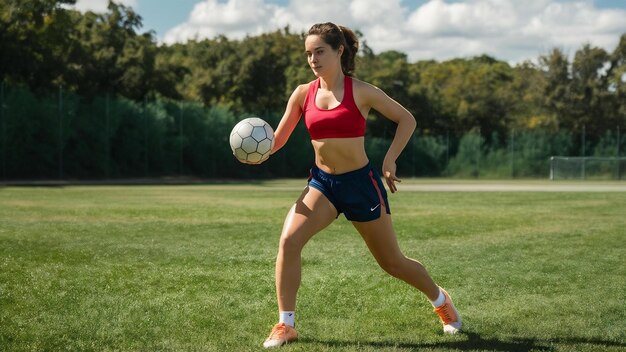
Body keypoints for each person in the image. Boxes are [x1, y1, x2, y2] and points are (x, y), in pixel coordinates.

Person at [262, 22, 461, 348]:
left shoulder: (361, 91)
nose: (313, 59)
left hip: (361, 185)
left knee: (392, 262)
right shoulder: (302, 93)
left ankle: (442, 302)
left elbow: (406, 119)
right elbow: (278, 138)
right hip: (323, 185)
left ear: (340, 50)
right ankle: (286, 324)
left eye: (320, 51)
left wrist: (389, 160)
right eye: (308, 54)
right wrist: (259, 153)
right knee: (288, 241)